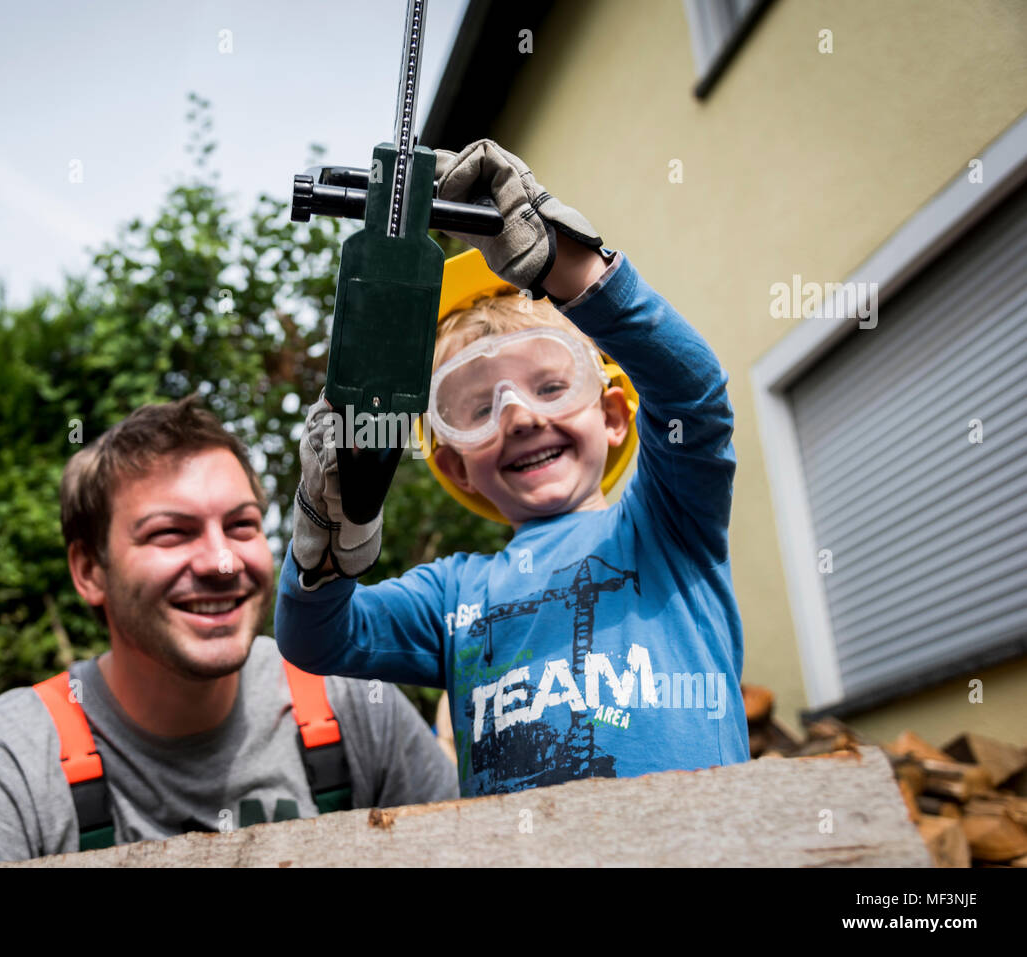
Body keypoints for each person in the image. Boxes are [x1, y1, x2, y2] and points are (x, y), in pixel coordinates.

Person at [275, 139, 748, 797]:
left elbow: (695, 399)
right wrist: (326, 535)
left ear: (613, 415)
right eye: (478, 406)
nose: (519, 417)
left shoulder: (668, 528)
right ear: (456, 465)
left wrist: (569, 264)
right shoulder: (454, 596)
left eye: (552, 386)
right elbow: (318, 638)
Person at [0, 395, 456, 867]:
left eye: (242, 526)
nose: (222, 562)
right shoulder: (4, 770)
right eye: (171, 533)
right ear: (88, 571)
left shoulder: (352, 705)